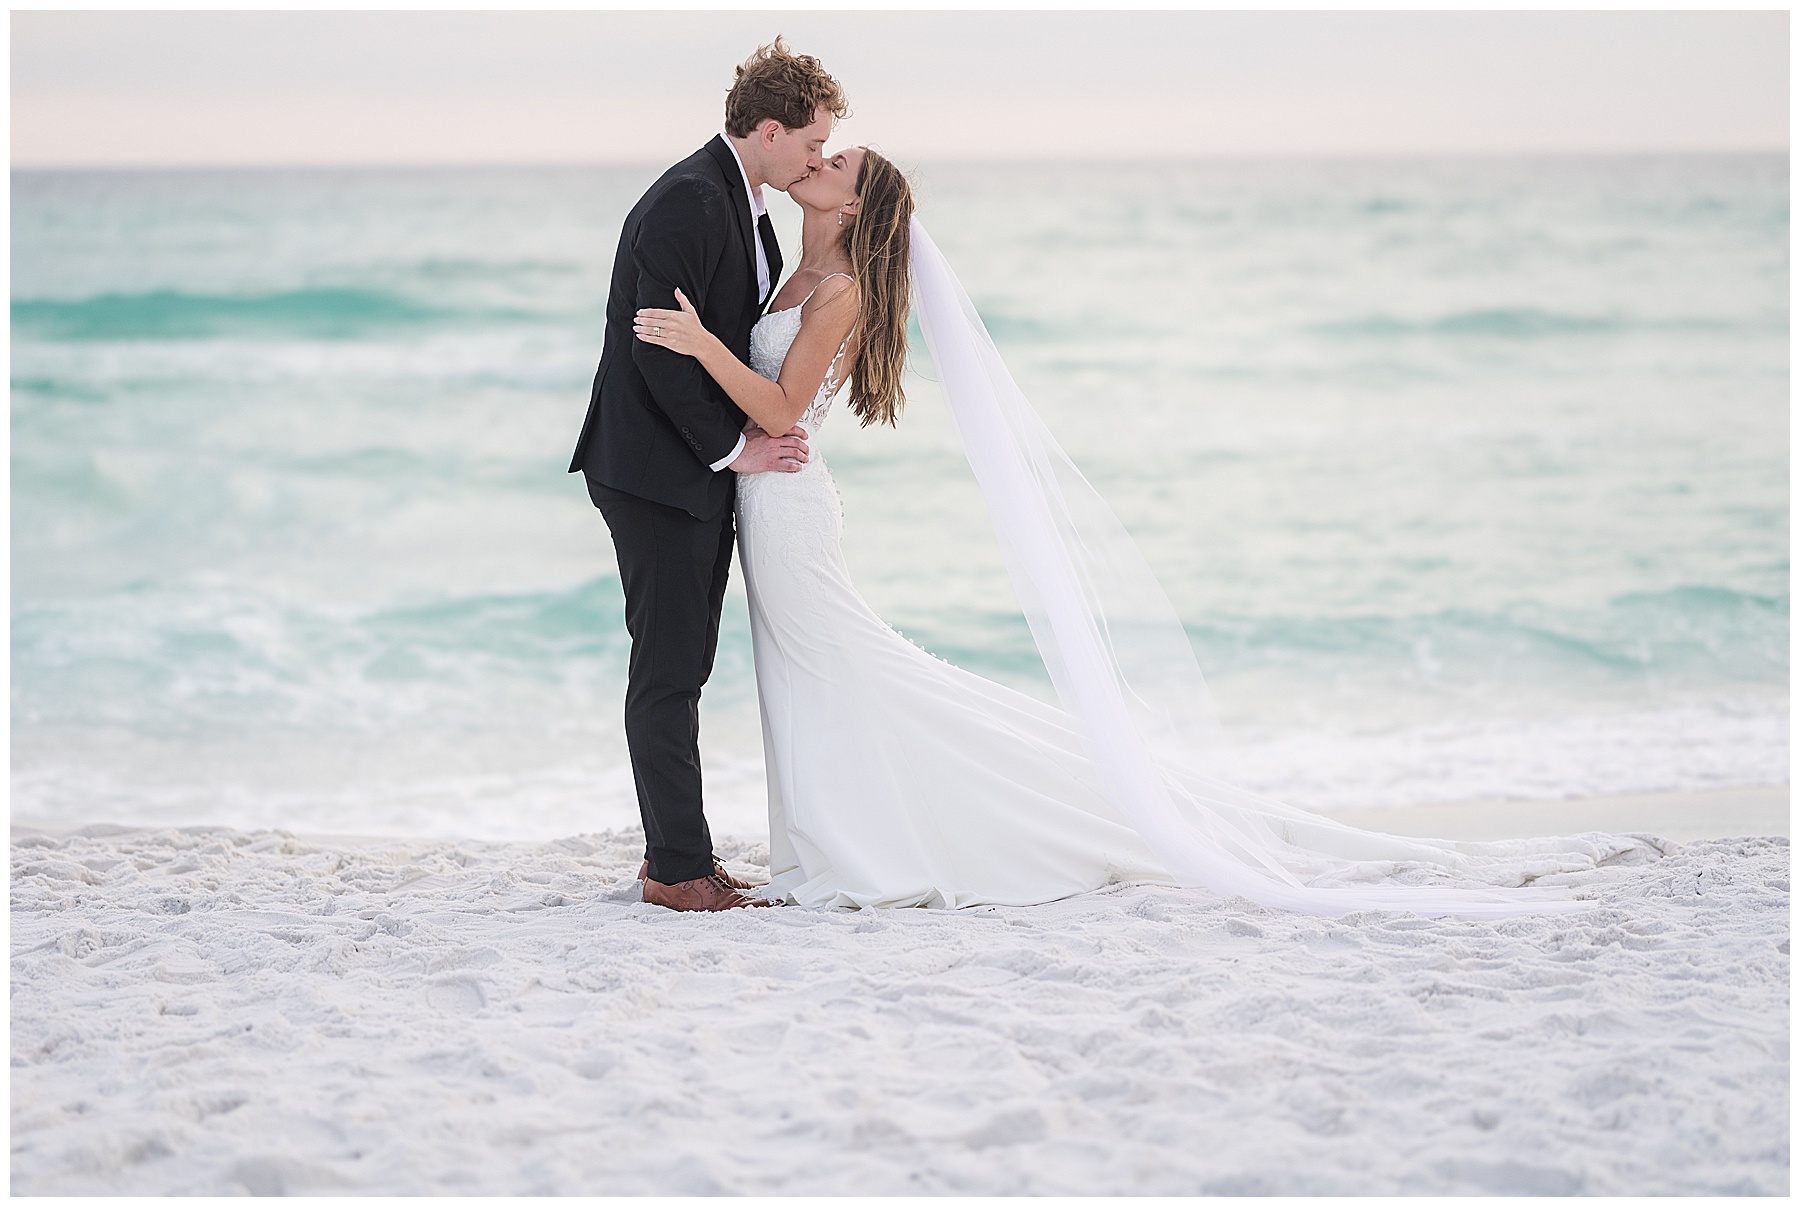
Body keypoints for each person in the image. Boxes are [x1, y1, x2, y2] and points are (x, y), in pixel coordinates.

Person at [634, 148, 1669, 917]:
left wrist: (690, 344)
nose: (819, 160)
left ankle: (909, 836)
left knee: (843, 667)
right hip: (765, 501)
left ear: (857, 203)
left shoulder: (846, 286)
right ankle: (835, 838)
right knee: (812, 676)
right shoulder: (783, 264)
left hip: (791, 508)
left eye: (839, 160)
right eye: (820, 149)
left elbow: (779, 408)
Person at [568, 39, 846, 912]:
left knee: (684, 660)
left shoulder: (742, 200)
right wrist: (736, 451)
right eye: (812, 143)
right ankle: (677, 872)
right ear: (770, 130)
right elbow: (660, 351)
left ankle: (686, 857)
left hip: (682, 468)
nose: (816, 158)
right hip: (655, 471)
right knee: (669, 667)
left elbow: (720, 342)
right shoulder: (692, 199)